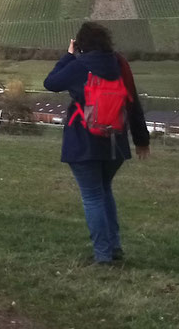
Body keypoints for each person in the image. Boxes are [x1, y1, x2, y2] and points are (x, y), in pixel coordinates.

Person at [43, 22, 150, 265]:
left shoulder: (80, 65)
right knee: (104, 192)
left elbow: (50, 83)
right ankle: (114, 248)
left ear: (81, 45)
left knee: (92, 196)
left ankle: (103, 256)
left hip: (84, 143)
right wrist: (142, 139)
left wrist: (68, 56)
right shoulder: (120, 64)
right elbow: (133, 102)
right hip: (116, 144)